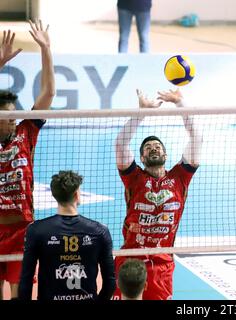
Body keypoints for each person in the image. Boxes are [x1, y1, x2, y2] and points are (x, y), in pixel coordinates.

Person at [113, 88, 202, 300]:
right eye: (148, 147)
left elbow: (197, 139)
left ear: (165, 154)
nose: (153, 148)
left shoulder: (180, 177)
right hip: (130, 260)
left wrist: (181, 104)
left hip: (162, 265)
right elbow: (120, 144)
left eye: (157, 146)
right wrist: (140, 113)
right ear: (142, 158)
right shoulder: (134, 177)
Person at [0, 20, 55, 300]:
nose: (10, 120)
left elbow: (48, 94)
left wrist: (46, 49)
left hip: (22, 231)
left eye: (13, 115)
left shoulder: (26, 132)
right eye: (5, 116)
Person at [18, 171, 116, 301]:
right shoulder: (100, 231)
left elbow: (26, 279)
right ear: (76, 195)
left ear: (54, 195)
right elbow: (110, 282)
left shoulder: (36, 230)